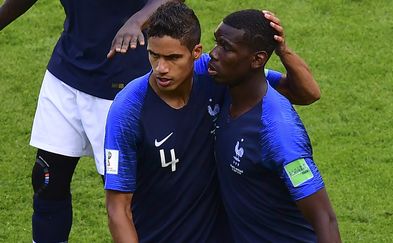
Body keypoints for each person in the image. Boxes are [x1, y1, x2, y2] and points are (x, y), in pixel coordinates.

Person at [104, 2, 321, 243]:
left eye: (173, 57)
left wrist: (281, 50)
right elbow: (117, 208)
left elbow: (306, 93)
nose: (161, 68)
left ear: (196, 52)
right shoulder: (128, 109)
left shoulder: (215, 73)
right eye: (154, 56)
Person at [0, 0, 181, 242]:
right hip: (66, 72)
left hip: (121, 84)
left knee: (127, 195)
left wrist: (138, 20)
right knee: (47, 180)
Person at [209, 9, 341, 242]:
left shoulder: (278, 131)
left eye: (225, 47)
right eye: (216, 43)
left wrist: (283, 50)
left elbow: (324, 217)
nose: (213, 53)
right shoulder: (238, 84)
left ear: (257, 59)